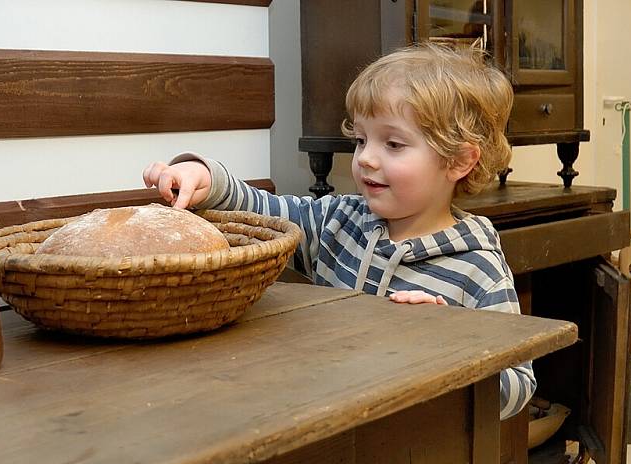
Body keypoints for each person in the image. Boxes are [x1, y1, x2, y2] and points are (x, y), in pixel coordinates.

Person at [142, 42, 535, 422]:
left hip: (410, 456)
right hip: (323, 426)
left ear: (459, 160)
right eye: (362, 139)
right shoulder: (337, 221)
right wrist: (206, 177)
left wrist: (452, 346)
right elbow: (264, 212)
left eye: (393, 144)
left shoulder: (477, 267)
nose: (365, 158)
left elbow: (518, 384)